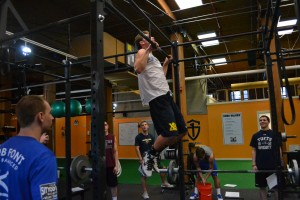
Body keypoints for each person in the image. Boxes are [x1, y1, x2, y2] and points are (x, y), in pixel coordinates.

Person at [134, 31, 188, 177]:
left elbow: (159, 77)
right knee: (168, 133)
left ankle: (155, 154)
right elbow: (138, 69)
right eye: (148, 37)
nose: (152, 37)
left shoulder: (152, 57)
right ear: (142, 42)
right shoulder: (141, 52)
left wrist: (165, 64)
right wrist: (149, 48)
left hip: (166, 95)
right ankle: (149, 156)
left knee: (182, 131)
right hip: (157, 98)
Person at [0, 95, 58, 199]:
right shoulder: (44, 157)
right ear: (41, 116)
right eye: (50, 113)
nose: (52, 117)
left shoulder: (2, 148)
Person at [135, 121, 174, 199]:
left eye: (145, 124)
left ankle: (164, 182)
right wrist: (140, 159)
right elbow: (137, 148)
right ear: (141, 127)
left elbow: (154, 146)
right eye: (142, 125)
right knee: (144, 175)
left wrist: (156, 155)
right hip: (144, 158)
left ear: (148, 126)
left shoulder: (151, 136)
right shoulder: (138, 137)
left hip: (153, 157)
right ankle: (145, 192)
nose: (144, 126)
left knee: (163, 168)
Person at [250, 115, 281, 200]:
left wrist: (280, 162)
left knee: (275, 187)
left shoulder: (274, 134)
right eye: (260, 120)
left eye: (264, 120)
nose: (262, 121)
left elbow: (279, 150)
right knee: (262, 187)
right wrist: (254, 164)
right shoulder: (255, 135)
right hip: (260, 166)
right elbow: (254, 150)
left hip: (272, 165)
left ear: (268, 122)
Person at [104, 121, 119, 200]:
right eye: (102, 125)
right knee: (101, 185)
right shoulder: (97, 137)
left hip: (110, 165)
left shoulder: (112, 137)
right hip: (101, 166)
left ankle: (114, 199)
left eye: (105, 124)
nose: (104, 126)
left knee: (113, 185)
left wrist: (116, 165)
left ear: (108, 126)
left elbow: (115, 152)